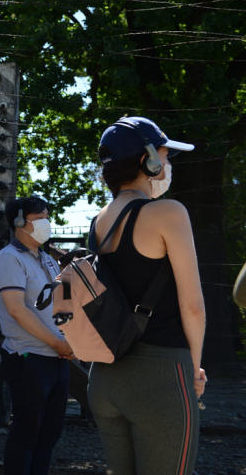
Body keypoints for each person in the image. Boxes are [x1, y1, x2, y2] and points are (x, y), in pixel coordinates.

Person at [87, 116, 206, 475]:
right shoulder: (168, 213)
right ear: (148, 160)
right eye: (166, 158)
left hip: (105, 380)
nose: (168, 166)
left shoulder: (98, 222)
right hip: (160, 378)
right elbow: (193, 306)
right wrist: (193, 371)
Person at [0, 195, 72, 475]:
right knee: (26, 432)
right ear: (18, 222)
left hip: (56, 358)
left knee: (49, 434)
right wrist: (58, 343)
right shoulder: (9, 259)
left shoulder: (48, 260)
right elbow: (16, 310)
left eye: (47, 217)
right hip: (28, 358)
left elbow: (61, 303)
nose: (46, 223)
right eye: (39, 219)